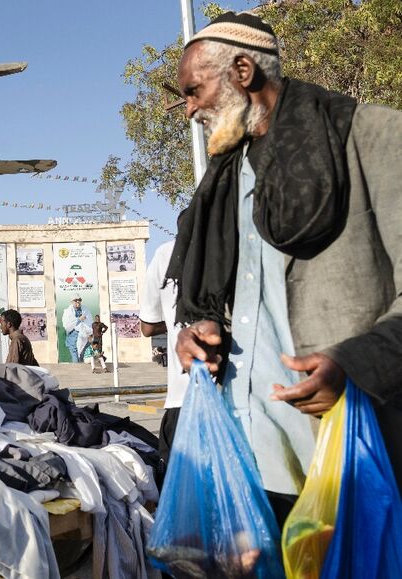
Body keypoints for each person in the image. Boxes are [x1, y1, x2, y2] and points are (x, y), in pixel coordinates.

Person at [168, 11, 402, 528]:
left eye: (194, 90)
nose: (189, 110)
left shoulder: (373, 138)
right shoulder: (226, 178)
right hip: (248, 464)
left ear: (243, 72)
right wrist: (202, 330)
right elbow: (240, 297)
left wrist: (356, 365)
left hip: (348, 462)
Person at [140, 240, 191, 469]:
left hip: (183, 397)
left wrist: (175, 325)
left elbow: (147, 327)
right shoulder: (243, 241)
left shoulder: (166, 252)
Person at [61, 295, 91, 363]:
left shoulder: (86, 310)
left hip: (84, 337)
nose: (78, 301)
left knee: (83, 355)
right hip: (73, 338)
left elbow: (90, 322)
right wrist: (79, 319)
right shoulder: (67, 312)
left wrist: (89, 333)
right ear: (71, 302)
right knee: (75, 357)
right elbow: (67, 325)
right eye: (75, 300)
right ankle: (76, 371)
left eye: (79, 300)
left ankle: (83, 371)